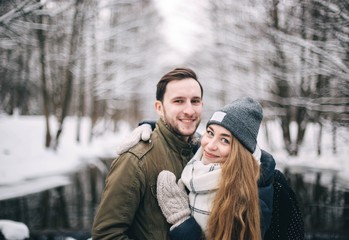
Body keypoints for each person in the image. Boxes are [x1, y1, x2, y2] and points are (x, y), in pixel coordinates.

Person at [91, 67, 204, 240]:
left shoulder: (205, 153)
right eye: (179, 101)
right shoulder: (135, 160)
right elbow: (106, 235)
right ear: (159, 107)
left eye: (195, 101)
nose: (189, 110)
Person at [156, 97, 275, 240]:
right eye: (210, 133)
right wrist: (153, 131)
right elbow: (177, 134)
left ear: (240, 152)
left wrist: (181, 221)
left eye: (224, 140)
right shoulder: (198, 160)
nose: (210, 145)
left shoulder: (252, 196)